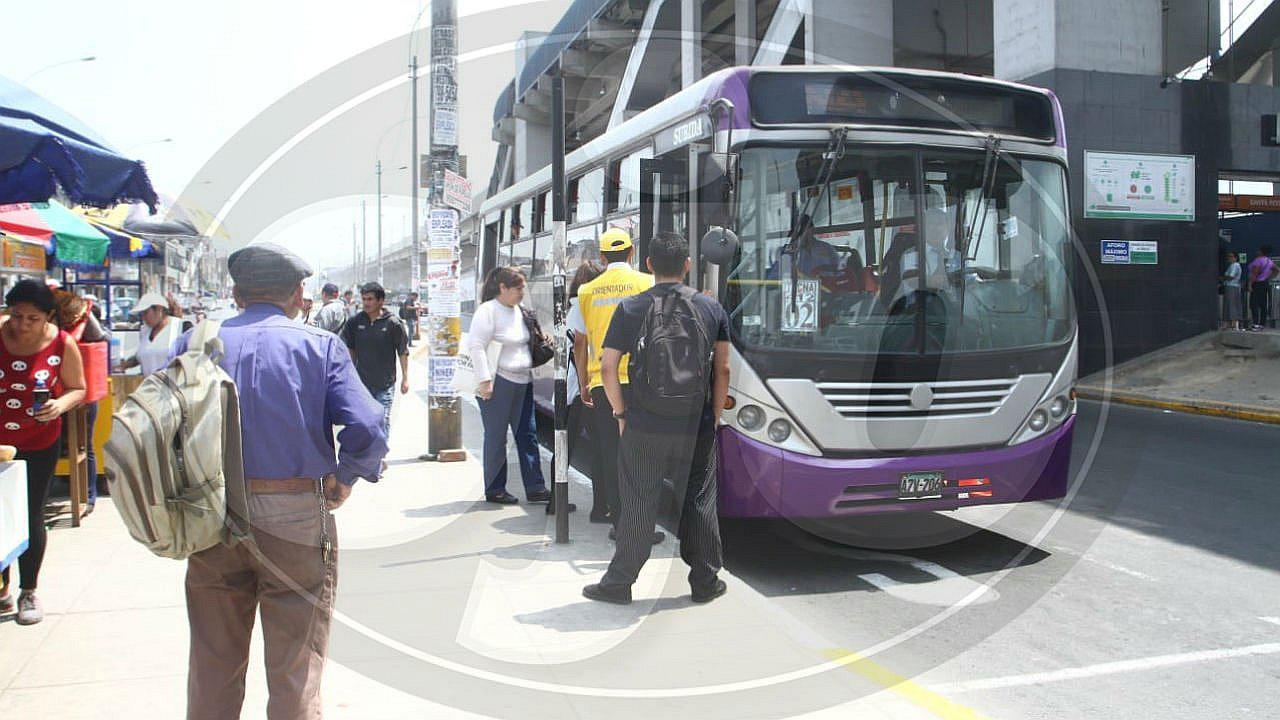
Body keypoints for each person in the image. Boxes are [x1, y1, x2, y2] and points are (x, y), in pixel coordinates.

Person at [174, 243, 387, 720]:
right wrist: (345, 478)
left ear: (236, 293)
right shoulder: (318, 345)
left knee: (212, 661)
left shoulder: (190, 345)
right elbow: (369, 427)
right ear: (296, 294)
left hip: (210, 512)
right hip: (293, 515)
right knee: (295, 666)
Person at [583, 232, 731, 606]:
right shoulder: (711, 309)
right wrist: (712, 418)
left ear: (648, 264)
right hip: (694, 424)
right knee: (698, 501)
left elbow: (609, 365)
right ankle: (704, 581)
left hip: (645, 424)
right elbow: (724, 369)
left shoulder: (631, 308)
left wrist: (619, 412)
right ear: (687, 265)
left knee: (637, 501)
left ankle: (619, 584)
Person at [0, 280, 87, 626]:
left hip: (38, 441)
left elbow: (78, 388)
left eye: (32, 318)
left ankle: (28, 590)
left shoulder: (62, 344)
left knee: (30, 512)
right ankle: (1, 588)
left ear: (48, 317)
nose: (21, 325)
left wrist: (58, 405)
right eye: (16, 315)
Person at [571, 228, 654, 527]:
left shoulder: (586, 292)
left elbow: (580, 343)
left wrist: (583, 382)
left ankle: (618, 520)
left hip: (602, 383)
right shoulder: (647, 283)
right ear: (632, 252)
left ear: (603, 257)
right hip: (642, 381)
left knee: (610, 450)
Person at [468, 266, 550, 505]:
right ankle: (495, 489)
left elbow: (528, 343)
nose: (521, 293)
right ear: (502, 288)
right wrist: (485, 381)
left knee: (528, 434)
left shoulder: (521, 312)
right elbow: (476, 347)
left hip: (523, 381)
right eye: (518, 288)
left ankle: (535, 487)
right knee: (496, 437)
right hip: (498, 383)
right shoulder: (488, 311)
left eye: (523, 288)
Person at [53, 290, 109, 514]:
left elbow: (100, 337)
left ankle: (88, 496)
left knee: (78, 445)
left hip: (69, 395)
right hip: (76, 395)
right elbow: (102, 337)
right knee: (83, 445)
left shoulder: (58, 327)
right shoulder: (75, 321)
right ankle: (88, 496)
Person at [341, 282, 410, 439]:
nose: (366, 303)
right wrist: (349, 375)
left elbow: (402, 351)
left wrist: (405, 378)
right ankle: (370, 456)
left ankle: (380, 455)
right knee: (363, 421)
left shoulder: (393, 323)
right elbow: (350, 349)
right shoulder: (355, 323)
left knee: (382, 419)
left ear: (381, 301)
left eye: (370, 299)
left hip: (385, 384)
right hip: (362, 384)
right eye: (364, 299)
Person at [566, 261, 604, 516]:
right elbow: (581, 345)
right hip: (587, 386)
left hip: (573, 386)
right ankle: (601, 508)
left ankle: (555, 502)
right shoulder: (586, 305)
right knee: (601, 448)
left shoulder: (569, 307)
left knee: (565, 442)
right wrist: (585, 385)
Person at [114, 292, 182, 375]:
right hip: (150, 385)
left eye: (146, 313)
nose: (143, 318)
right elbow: (143, 356)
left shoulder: (180, 327)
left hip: (173, 385)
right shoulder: (145, 331)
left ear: (159, 309)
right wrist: (125, 365)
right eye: (141, 314)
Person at [1247, 245, 1278, 331]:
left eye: (1259, 250)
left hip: (1257, 284)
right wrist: (1269, 277)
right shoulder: (1269, 261)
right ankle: (1262, 324)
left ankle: (1255, 324)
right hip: (1265, 283)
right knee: (1263, 304)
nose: (1257, 251)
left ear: (1261, 251)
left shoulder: (1258, 260)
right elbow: (1277, 270)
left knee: (1254, 304)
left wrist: (1250, 284)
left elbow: (1254, 274)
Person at [1222, 251, 1244, 331]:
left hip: (1232, 286)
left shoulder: (1235, 265)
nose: (1229, 258)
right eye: (1228, 256)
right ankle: (1229, 324)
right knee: (1230, 305)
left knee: (1231, 305)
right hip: (1232, 286)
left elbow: (1231, 276)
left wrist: (1223, 278)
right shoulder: (1232, 265)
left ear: (1235, 257)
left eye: (1231, 256)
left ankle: (1233, 324)